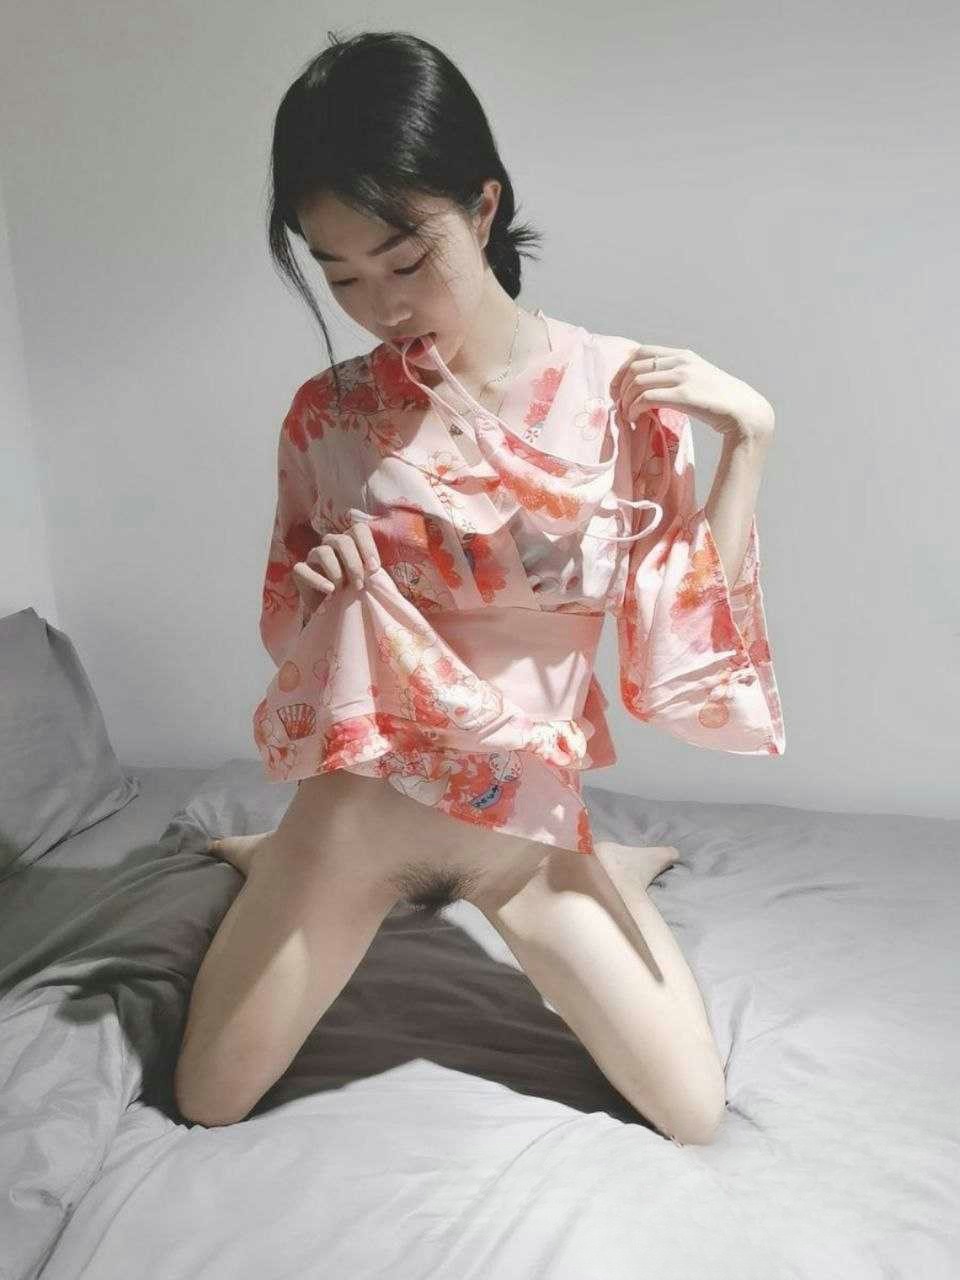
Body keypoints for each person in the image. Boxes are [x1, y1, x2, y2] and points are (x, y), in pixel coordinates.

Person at [174, 30, 784, 1146]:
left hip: (526, 824)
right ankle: (278, 858)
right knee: (209, 1098)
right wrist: (324, 596)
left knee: (694, 1113)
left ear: (484, 205)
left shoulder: (622, 394)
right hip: (360, 816)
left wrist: (750, 441)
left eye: (405, 261)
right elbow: (290, 639)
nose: (380, 306)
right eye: (341, 276)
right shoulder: (328, 415)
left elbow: (686, 637)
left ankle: (604, 868)